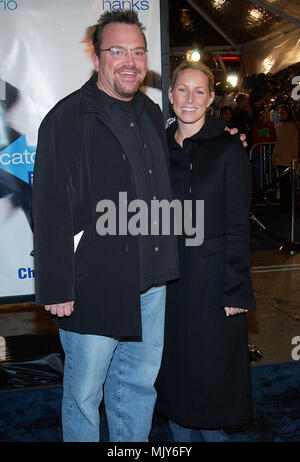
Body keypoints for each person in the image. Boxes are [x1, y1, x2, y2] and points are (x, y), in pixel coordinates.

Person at [32, 10, 180, 442]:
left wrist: (225, 137)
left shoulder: (152, 112)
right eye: (117, 51)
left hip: (152, 284)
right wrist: (57, 286)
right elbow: (50, 207)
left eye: (138, 51)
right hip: (93, 283)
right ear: (97, 59)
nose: (130, 61)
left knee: (137, 387)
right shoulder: (68, 118)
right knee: (84, 394)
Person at [155, 60, 257, 442]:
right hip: (168, 281)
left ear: (212, 98)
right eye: (182, 89)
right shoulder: (157, 144)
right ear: (170, 95)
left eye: (199, 91)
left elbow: (237, 223)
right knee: (177, 376)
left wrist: (236, 289)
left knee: (211, 377)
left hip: (214, 284)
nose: (190, 98)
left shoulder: (229, 146)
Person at [272, 104, 299, 210]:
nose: (280, 115)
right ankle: (287, 204)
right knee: (286, 183)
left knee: (285, 184)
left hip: (284, 158)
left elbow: (281, 143)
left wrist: (274, 155)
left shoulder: (287, 126)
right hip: (289, 158)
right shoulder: (291, 126)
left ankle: (285, 206)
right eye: (279, 113)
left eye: (282, 113)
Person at [251, 109, 276, 190]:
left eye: (266, 116)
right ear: (260, 117)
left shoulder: (271, 125)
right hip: (257, 151)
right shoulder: (256, 126)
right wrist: (265, 135)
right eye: (263, 116)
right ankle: (259, 188)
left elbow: (272, 137)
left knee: (265, 169)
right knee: (257, 169)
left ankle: (265, 187)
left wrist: (263, 136)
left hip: (267, 152)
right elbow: (255, 139)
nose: (264, 118)